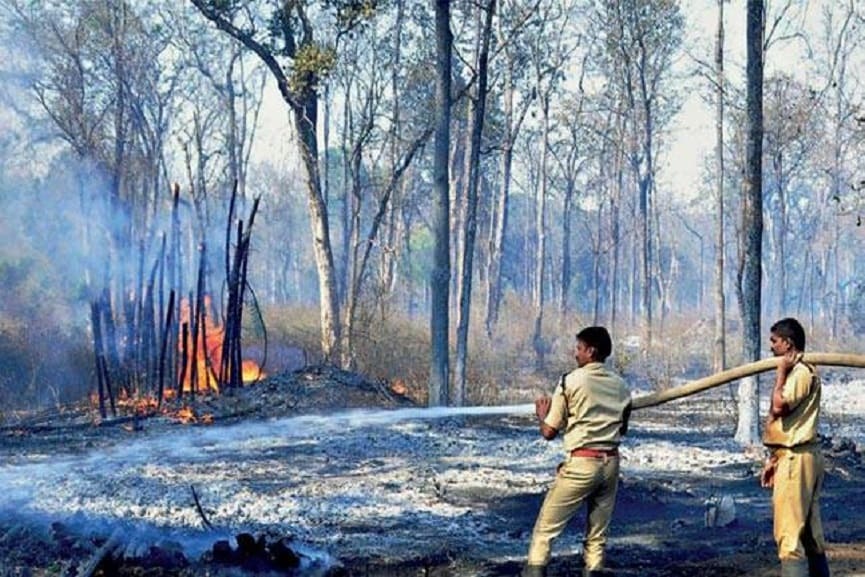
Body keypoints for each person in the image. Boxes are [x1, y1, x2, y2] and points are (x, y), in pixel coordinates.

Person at [523, 326, 632, 577]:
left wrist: (542, 415)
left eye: (579, 348)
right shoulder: (621, 386)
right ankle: (593, 571)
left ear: (591, 351)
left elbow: (549, 432)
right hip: (610, 465)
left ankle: (534, 572)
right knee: (597, 536)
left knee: (545, 531)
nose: (576, 354)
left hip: (582, 463)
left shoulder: (570, 381)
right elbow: (622, 428)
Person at [760, 317, 830, 577]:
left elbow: (779, 407)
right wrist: (774, 457)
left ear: (787, 344)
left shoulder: (800, 373)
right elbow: (786, 423)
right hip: (794, 456)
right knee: (810, 534)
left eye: (774, 341)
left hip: (797, 460)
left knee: (789, 537)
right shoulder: (798, 372)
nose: (771, 347)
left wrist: (780, 374)